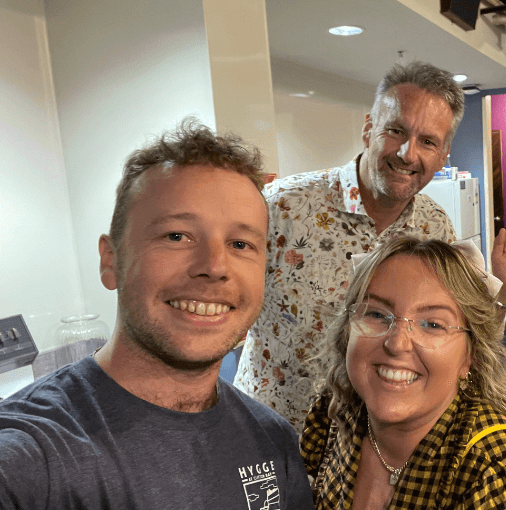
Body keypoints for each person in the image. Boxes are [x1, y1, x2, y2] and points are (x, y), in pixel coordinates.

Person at [0, 121, 313, 509]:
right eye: (177, 236)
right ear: (110, 260)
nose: (215, 266)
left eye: (240, 243)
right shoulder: (32, 460)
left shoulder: (273, 441)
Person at [234, 61, 506, 426]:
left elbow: (461, 340)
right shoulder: (282, 207)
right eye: (396, 130)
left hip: (375, 442)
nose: (407, 153)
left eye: (428, 141)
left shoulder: (435, 227)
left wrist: (505, 291)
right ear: (369, 128)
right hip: (277, 432)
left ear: (444, 154)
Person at [300, 236, 506, 509]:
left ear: (469, 357)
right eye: (375, 314)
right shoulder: (337, 410)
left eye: (433, 324)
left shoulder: (501, 473)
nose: (397, 343)